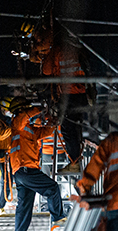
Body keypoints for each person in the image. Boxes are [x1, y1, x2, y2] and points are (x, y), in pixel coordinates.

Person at [0, 96, 65, 231]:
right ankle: (58, 217)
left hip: (22, 171)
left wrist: (52, 122)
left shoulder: (27, 128)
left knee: (25, 204)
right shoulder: (16, 123)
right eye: (27, 109)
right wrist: (39, 109)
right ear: (22, 110)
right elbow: (24, 116)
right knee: (52, 188)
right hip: (26, 169)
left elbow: (43, 132)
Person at [30, 21, 93, 174]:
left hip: (68, 95)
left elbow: (45, 71)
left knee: (67, 128)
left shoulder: (57, 51)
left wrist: (43, 53)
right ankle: (75, 160)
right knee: (75, 125)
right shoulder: (78, 49)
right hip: (81, 93)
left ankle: (74, 162)